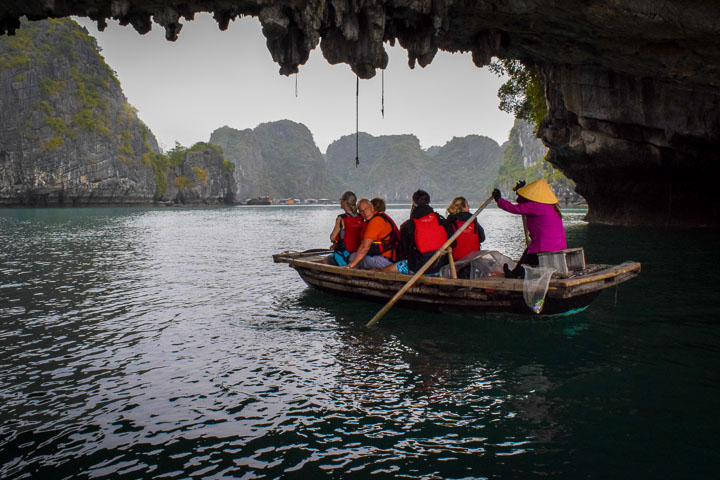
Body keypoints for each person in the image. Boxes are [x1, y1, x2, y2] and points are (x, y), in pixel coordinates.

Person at [492, 178, 567, 278]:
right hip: (558, 245)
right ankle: (515, 272)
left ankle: (516, 274)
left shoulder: (536, 206)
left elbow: (514, 208)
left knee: (529, 257)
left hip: (544, 247)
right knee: (528, 252)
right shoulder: (551, 206)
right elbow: (524, 204)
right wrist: (519, 192)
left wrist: (499, 200)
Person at [382, 190, 453, 275]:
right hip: (441, 267)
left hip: (419, 269)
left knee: (383, 270)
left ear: (413, 203)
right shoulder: (442, 220)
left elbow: (405, 251)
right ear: (428, 202)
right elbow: (453, 243)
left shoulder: (409, 225)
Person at [345, 198, 401, 269]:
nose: (365, 213)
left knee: (352, 258)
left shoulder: (375, 221)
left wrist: (350, 266)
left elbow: (364, 248)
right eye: (362, 211)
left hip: (386, 261)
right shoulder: (381, 217)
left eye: (366, 209)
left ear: (372, 207)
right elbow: (363, 245)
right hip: (393, 259)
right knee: (356, 256)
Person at [326, 191, 364, 266]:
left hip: (345, 254)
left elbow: (332, 237)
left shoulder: (341, 218)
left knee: (326, 260)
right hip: (358, 253)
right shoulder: (361, 217)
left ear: (345, 202)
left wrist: (335, 243)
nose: (340, 202)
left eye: (341, 200)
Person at [446, 196, 486, 261]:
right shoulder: (473, 220)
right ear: (463, 207)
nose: (469, 206)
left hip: (455, 260)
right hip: (473, 259)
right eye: (467, 205)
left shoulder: (450, 221)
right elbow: (482, 238)